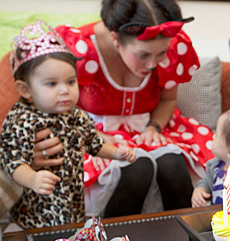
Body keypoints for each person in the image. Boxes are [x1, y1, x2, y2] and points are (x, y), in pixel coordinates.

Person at [32, 0, 214, 218]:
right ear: (116, 40)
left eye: (161, 54)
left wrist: (154, 126)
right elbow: (50, 105)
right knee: (136, 169)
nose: (153, 64)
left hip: (148, 128)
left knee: (173, 164)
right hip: (91, 133)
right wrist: (86, 133)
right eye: (143, 55)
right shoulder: (81, 49)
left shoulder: (172, 43)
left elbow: (168, 99)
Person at [0, 20, 136, 229]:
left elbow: (93, 143)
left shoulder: (75, 115)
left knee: (71, 238)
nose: (65, 90)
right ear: (26, 90)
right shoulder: (21, 120)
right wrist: (32, 179)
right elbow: (12, 162)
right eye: (52, 84)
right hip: (35, 212)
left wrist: (116, 153)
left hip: (72, 204)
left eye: (71, 82)